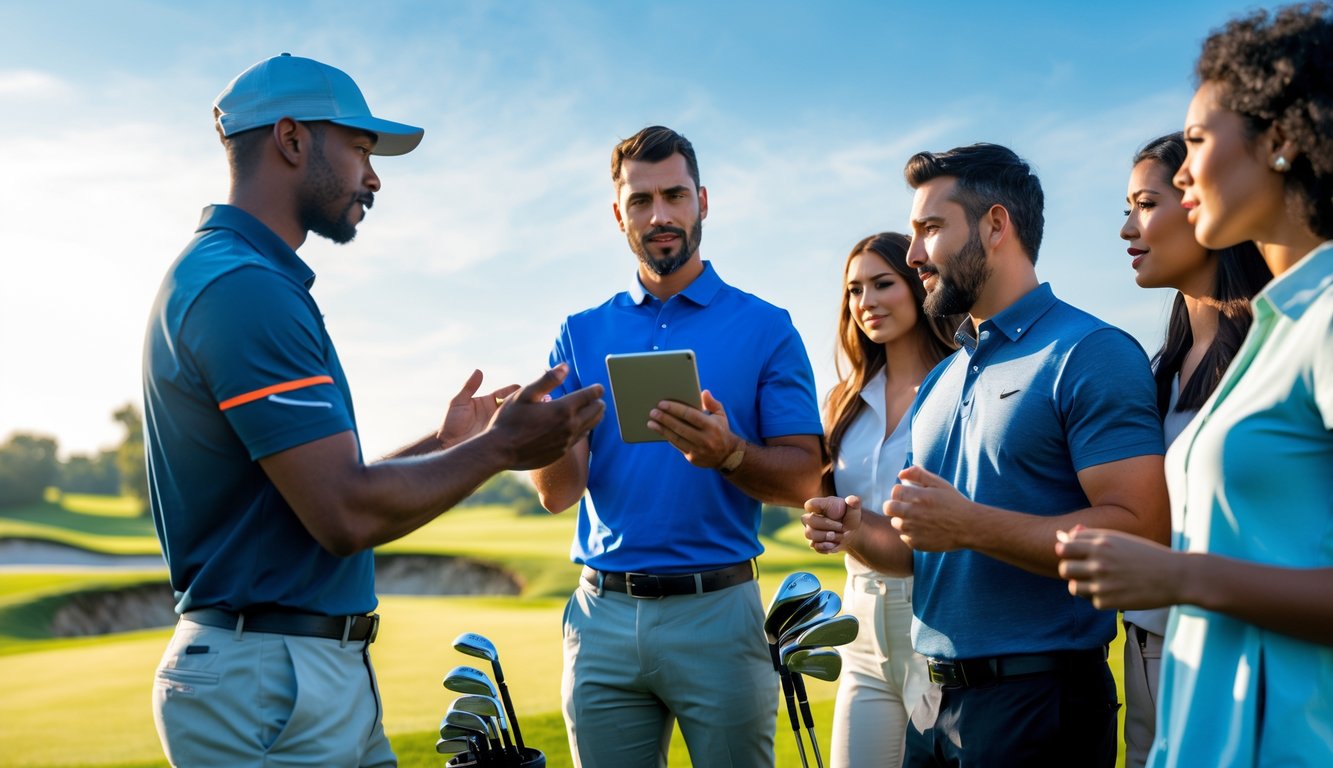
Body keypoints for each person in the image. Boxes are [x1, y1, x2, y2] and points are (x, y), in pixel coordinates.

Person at [143, 53, 604, 767]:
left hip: (300, 670)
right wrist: (499, 452)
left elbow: (314, 494)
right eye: (359, 147)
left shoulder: (248, 279)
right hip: (269, 681)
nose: (373, 175)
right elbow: (345, 515)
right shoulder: (242, 289)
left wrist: (447, 442)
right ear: (292, 140)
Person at [802, 142, 1169, 767]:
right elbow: (925, 555)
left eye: (931, 229)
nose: (915, 252)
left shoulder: (1091, 352)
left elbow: (1143, 532)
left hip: (1041, 701)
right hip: (934, 702)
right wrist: (857, 527)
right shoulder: (942, 381)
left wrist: (970, 525)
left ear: (996, 225)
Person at [1058, 5, 1333, 766]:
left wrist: (1173, 573)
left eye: (1198, 142)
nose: (1180, 174)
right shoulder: (1278, 326)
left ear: (1279, 142)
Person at [530, 125, 824, 767]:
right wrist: (543, 434)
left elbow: (806, 478)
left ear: (703, 201)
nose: (660, 215)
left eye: (675, 195)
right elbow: (558, 494)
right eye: (641, 201)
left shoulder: (767, 327)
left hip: (719, 614)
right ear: (619, 215)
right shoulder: (579, 333)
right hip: (600, 618)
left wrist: (731, 455)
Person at [1116, 131, 1270, 768]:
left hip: (1243, 653)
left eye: (1147, 204)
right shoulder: (1155, 374)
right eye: (1125, 208)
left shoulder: (1273, 352)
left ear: (1201, 199)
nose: (1128, 228)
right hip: (1147, 650)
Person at [810, 233, 955, 768]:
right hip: (859, 627)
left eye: (882, 283)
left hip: (936, 619)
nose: (866, 301)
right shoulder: (843, 400)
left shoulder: (959, 384)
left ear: (919, 283)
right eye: (854, 290)